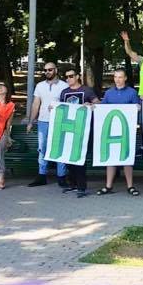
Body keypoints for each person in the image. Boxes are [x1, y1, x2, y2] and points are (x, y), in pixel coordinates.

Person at [96, 69, 142, 196]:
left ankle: (130, 186)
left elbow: (137, 109)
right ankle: (108, 186)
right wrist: (94, 107)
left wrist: (138, 108)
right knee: (111, 158)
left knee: (126, 158)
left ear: (125, 78)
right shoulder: (109, 93)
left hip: (127, 131)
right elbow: (102, 108)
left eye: (120, 77)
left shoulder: (132, 92)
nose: (117, 79)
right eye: (116, 77)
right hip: (112, 130)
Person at [26, 62, 69, 187]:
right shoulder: (40, 86)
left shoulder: (64, 85)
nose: (47, 72)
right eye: (45, 70)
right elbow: (36, 104)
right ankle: (42, 176)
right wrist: (31, 121)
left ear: (56, 70)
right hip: (43, 121)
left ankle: (61, 176)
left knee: (59, 148)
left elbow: (68, 104)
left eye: (50, 69)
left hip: (59, 121)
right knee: (42, 149)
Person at [58, 67, 100, 197]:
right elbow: (61, 108)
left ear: (77, 76)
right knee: (69, 157)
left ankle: (82, 187)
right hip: (68, 129)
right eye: (66, 77)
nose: (68, 79)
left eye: (71, 76)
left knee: (80, 158)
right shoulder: (64, 92)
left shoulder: (87, 90)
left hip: (83, 130)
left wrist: (91, 105)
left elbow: (98, 103)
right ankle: (73, 184)